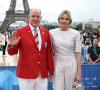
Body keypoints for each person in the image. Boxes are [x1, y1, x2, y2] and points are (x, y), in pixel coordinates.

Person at [7, 8, 54, 90]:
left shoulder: (46, 32)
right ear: (29, 17)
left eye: (37, 16)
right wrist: (11, 45)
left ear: (41, 18)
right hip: (26, 73)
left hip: (42, 73)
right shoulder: (20, 32)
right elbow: (12, 53)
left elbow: (48, 53)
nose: (35, 19)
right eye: (33, 16)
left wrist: (50, 70)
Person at [49, 10, 81, 90]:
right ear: (59, 19)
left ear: (70, 21)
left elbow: (78, 54)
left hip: (71, 63)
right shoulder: (51, 33)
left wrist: (78, 73)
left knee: (70, 88)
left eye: (66, 19)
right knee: (57, 88)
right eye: (62, 18)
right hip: (57, 63)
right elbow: (49, 52)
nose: (64, 21)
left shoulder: (76, 33)